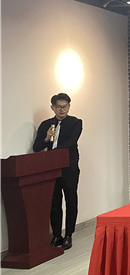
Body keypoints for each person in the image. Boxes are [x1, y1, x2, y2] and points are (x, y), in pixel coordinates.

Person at [33, 93, 83, 250]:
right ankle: (56, 235)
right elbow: (36, 147)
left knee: (70, 200)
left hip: (69, 166)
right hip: (51, 167)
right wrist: (47, 138)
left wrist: (54, 151)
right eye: (59, 107)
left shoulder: (75, 122)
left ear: (69, 106)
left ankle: (68, 234)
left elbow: (71, 141)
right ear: (52, 107)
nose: (62, 110)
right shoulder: (46, 124)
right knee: (54, 202)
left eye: (65, 106)